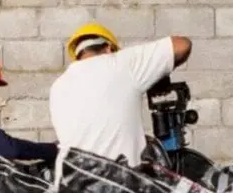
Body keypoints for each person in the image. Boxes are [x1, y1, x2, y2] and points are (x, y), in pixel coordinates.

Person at [48, 22, 192, 168]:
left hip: (79, 183)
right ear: (110, 48)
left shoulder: (57, 86)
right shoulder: (120, 63)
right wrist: (159, 77)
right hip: (125, 184)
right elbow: (182, 45)